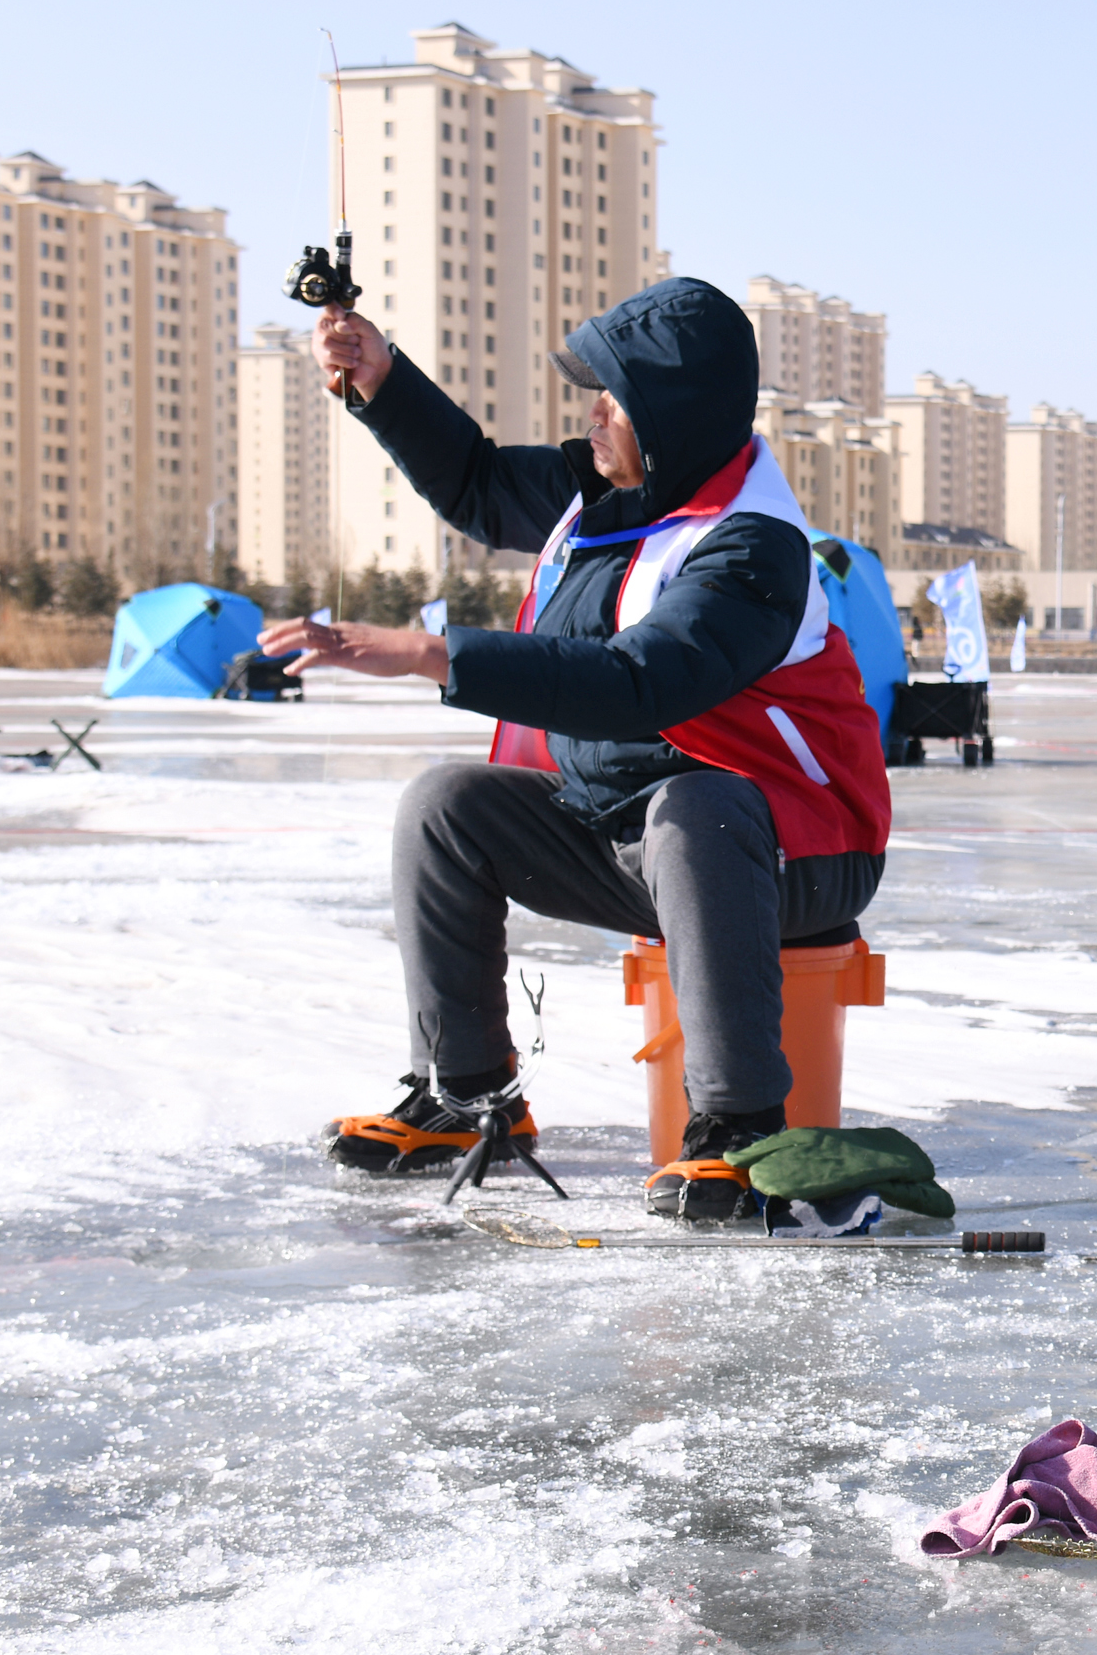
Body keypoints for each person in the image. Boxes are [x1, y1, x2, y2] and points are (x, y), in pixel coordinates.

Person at [272, 277, 892, 1218]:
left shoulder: (753, 548)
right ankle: (466, 1096)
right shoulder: (602, 494)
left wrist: (431, 655)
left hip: (798, 852)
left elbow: (641, 682)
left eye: (617, 399)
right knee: (446, 808)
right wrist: (381, 378)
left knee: (696, 800)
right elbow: (478, 484)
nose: (594, 415)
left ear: (674, 418)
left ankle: (740, 1128)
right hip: (637, 836)